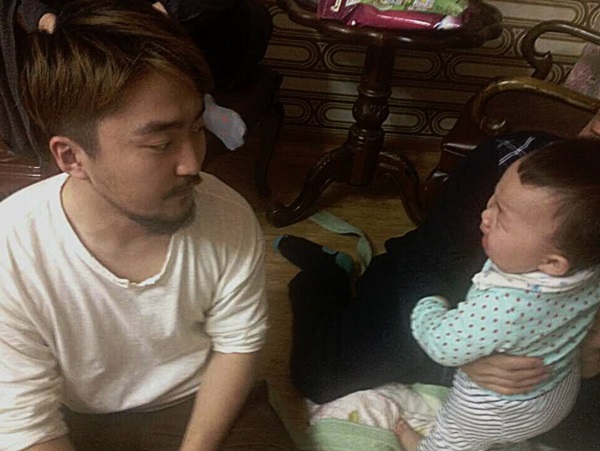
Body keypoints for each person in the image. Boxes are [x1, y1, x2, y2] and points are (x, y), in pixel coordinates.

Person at [0, 1, 296, 450]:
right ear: (71, 156)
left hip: (200, 399)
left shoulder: (227, 215)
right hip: (71, 412)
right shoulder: (13, 250)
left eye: (197, 128)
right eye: (160, 144)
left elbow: (237, 345)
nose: (192, 164)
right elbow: (27, 420)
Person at [275, 111, 600, 449]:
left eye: (502, 215)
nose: (598, 126)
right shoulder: (517, 160)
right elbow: (430, 261)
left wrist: (583, 354)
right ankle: (326, 272)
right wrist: (468, 352)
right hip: (440, 295)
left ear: (555, 262)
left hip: (514, 354)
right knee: (319, 375)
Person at [392, 138, 600, 451]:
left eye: (502, 216)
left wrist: (429, 306)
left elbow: (442, 345)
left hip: (494, 409)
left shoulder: (504, 305)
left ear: (552, 263)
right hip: (557, 389)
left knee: (453, 437)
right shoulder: (589, 268)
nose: (486, 214)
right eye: (494, 197)